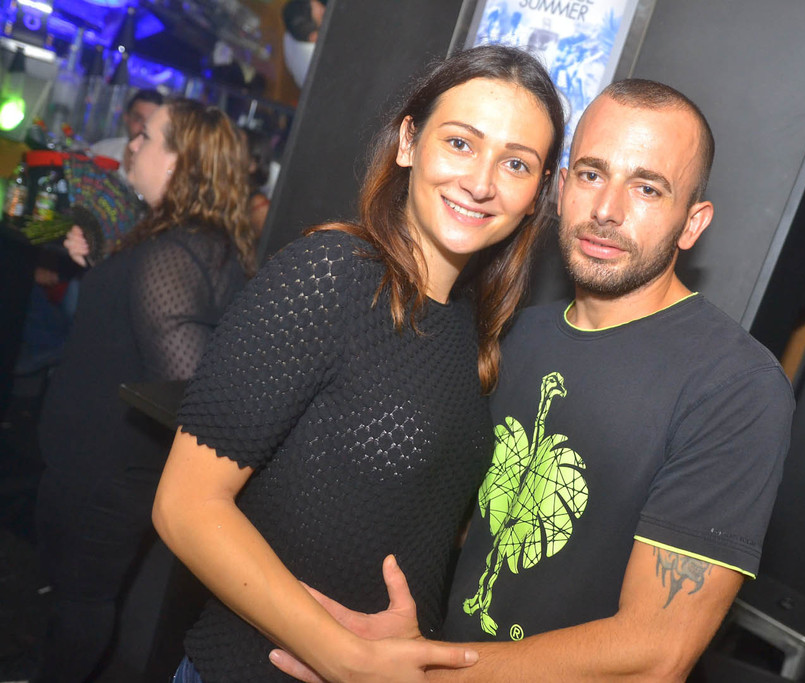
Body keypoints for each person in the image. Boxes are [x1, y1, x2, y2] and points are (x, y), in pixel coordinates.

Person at [271, 78, 795, 681]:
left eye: (647, 188)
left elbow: (656, 654)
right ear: (562, 187)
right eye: (592, 174)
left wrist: (420, 674)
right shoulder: (513, 334)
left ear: (691, 223)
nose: (607, 210)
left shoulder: (736, 387)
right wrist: (390, 644)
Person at [151, 45, 564, 682]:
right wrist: (346, 658)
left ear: (537, 193)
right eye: (460, 143)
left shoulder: (471, 326)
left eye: (516, 163)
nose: (482, 182)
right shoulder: (331, 275)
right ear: (408, 142)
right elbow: (185, 504)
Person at [34, 99, 257, 683]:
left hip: (106, 471)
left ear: (179, 161)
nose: (132, 144)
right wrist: (106, 264)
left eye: (147, 137)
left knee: (81, 605)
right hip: (107, 465)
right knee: (76, 598)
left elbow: (187, 388)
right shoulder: (190, 240)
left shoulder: (174, 251)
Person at [90, 88, 164, 179]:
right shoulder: (102, 151)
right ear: (126, 118)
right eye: (138, 119)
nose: (143, 129)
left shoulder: (163, 171)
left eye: (151, 122)